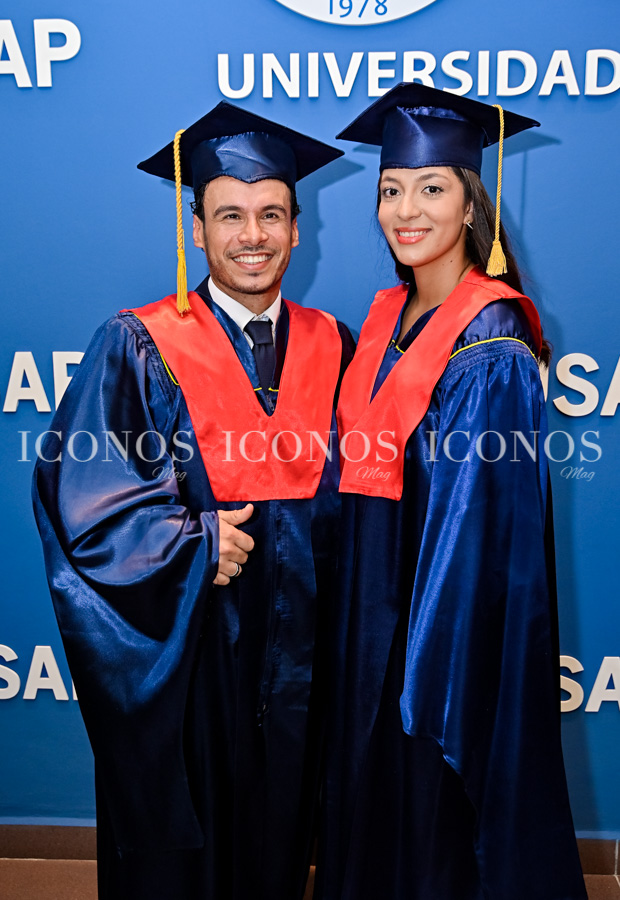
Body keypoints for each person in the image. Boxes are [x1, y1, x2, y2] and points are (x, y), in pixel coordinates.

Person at [32, 101, 354, 900]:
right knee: (187, 861)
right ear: (198, 231)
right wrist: (193, 542)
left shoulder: (335, 343)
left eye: (271, 214)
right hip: (193, 655)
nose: (253, 235)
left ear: (297, 229)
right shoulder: (138, 343)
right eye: (230, 215)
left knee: (283, 840)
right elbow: (81, 499)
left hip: (304, 660)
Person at [315, 84, 587, 900]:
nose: (406, 211)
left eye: (431, 189)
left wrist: (418, 666)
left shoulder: (491, 338)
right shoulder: (386, 320)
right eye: (391, 190)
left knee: (432, 817)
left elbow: (475, 532)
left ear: (471, 205)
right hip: (374, 618)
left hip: (437, 637)